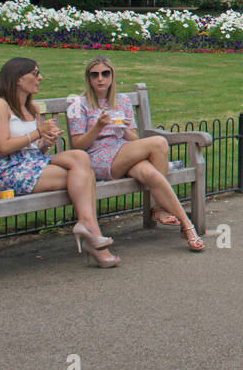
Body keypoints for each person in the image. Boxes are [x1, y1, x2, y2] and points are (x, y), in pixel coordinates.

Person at [0, 57, 119, 268]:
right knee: (84, 177)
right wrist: (38, 132)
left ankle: (87, 228)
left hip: (33, 162)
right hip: (8, 170)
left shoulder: (31, 108)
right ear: (18, 79)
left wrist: (45, 142)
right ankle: (94, 234)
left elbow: (34, 148)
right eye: (35, 73)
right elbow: (3, 146)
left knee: (80, 158)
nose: (40, 78)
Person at [68, 55, 203, 251]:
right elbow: (78, 146)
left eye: (105, 74)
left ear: (112, 76)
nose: (100, 79)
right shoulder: (79, 104)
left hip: (123, 150)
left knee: (150, 174)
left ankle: (187, 227)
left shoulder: (121, 101)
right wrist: (98, 126)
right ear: (88, 78)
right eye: (94, 75)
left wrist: (123, 129)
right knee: (158, 143)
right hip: (98, 157)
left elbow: (133, 140)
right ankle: (159, 208)